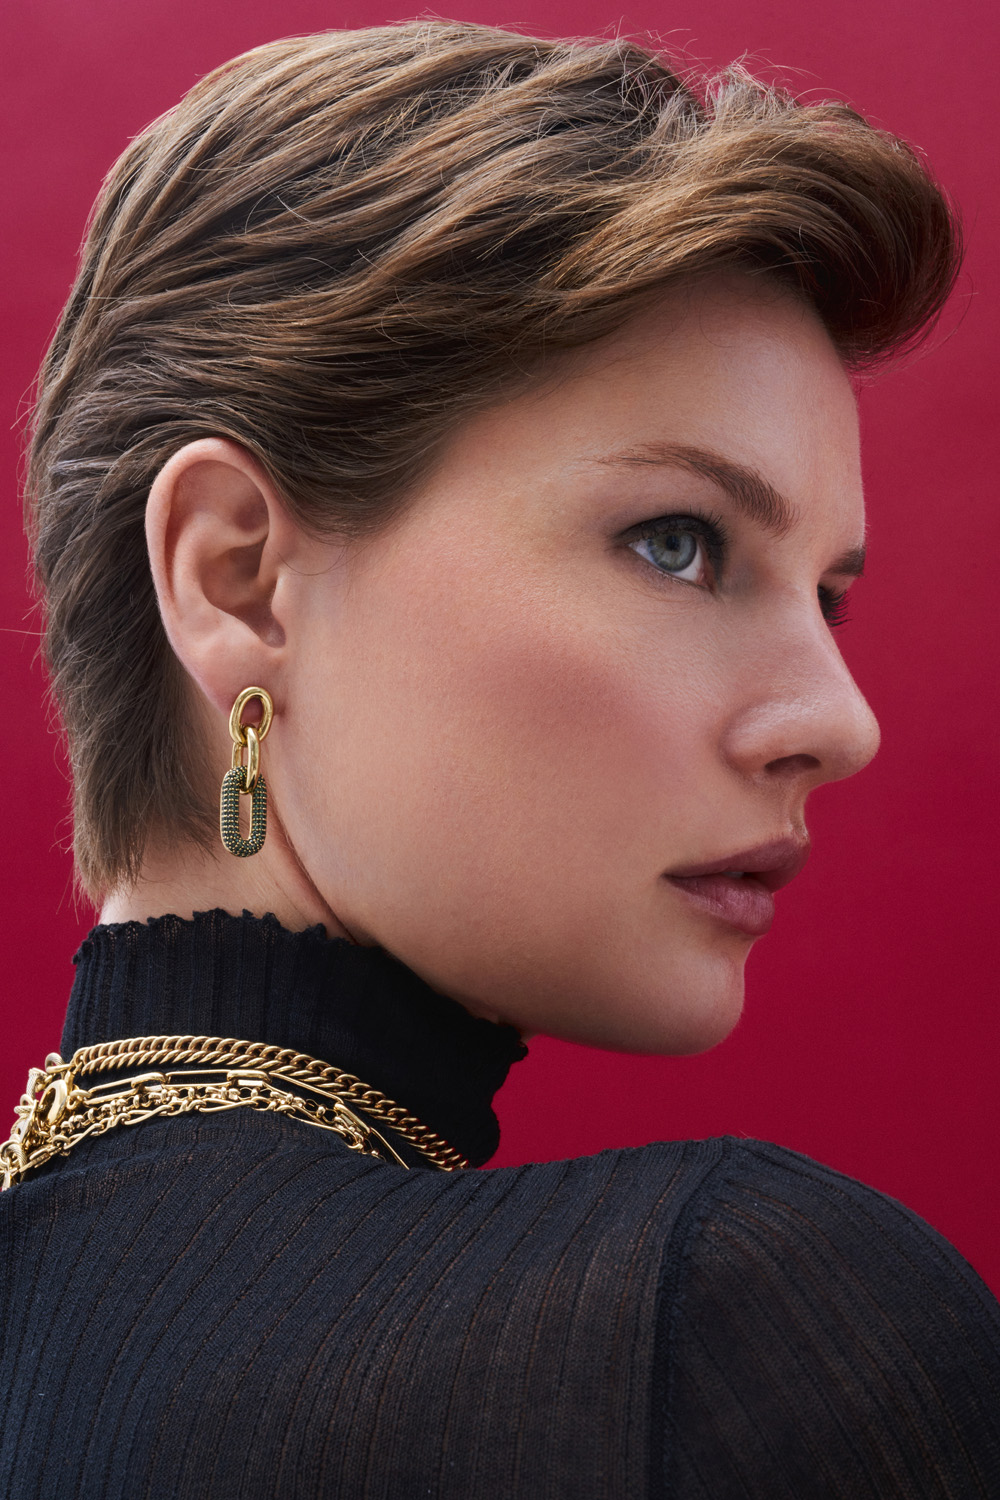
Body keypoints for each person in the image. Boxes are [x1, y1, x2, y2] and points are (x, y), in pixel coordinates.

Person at [2, 19, 998, 1498]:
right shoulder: (714, 1341)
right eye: (680, 543)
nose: (838, 721)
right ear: (237, 577)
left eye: (828, 595)